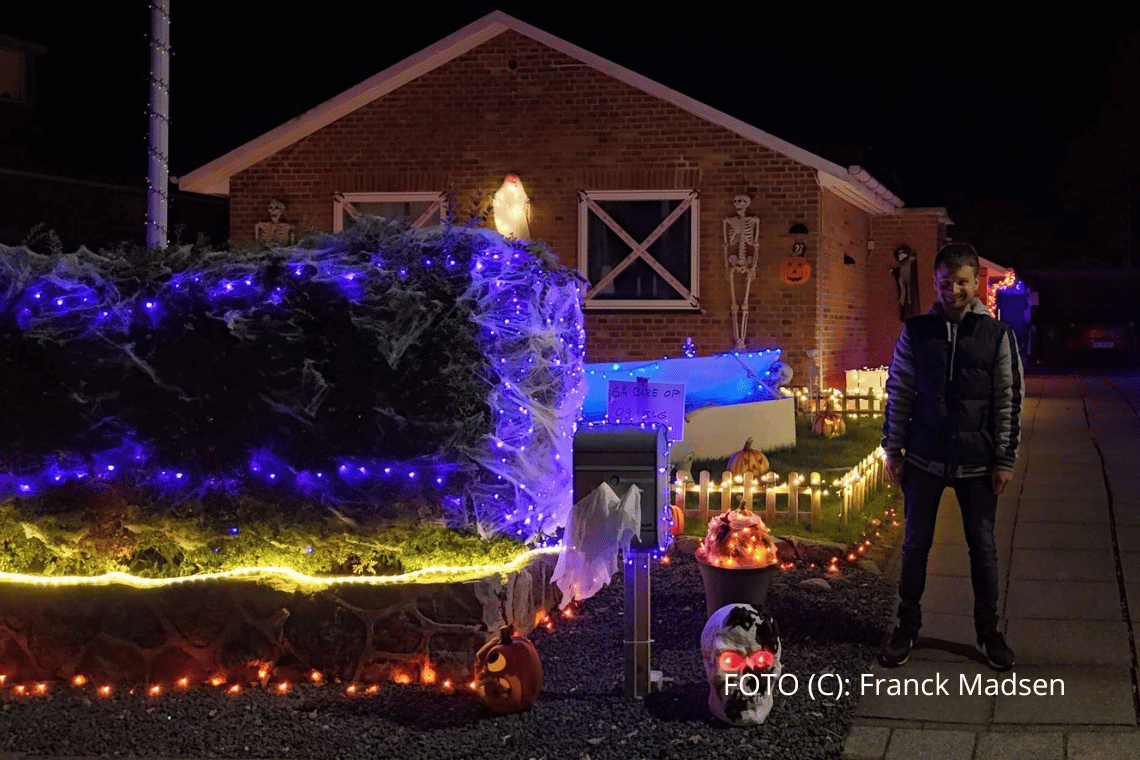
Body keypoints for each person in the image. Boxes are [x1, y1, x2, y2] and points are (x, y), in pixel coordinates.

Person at [880, 242, 1024, 671]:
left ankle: (988, 631)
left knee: (983, 548)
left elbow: (1008, 398)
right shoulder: (916, 331)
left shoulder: (997, 335)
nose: (953, 290)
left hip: (977, 463)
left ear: (975, 282)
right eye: (946, 282)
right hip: (923, 459)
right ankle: (906, 625)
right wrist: (893, 448)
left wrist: (1005, 459)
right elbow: (900, 391)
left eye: (962, 282)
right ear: (936, 282)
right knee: (914, 545)